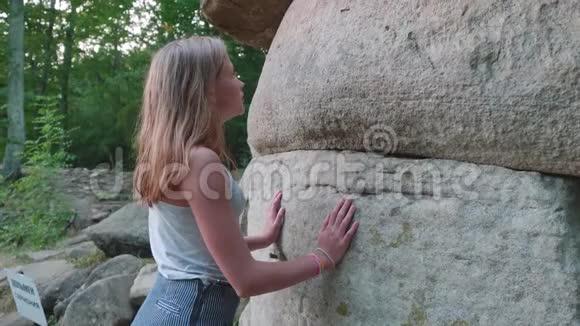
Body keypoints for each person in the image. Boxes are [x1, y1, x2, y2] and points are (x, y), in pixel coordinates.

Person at [130, 36, 360, 326]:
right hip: (194, 312)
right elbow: (245, 280)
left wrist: (261, 239)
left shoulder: (169, 156)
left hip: (163, 306)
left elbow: (193, 247)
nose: (240, 83)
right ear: (204, 89)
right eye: (231, 73)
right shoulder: (200, 162)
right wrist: (322, 257)